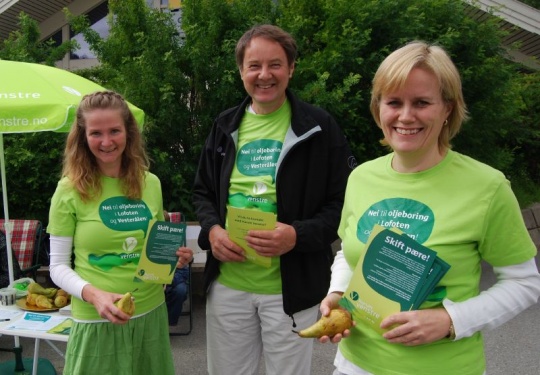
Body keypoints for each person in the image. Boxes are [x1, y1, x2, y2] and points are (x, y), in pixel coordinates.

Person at [318, 41, 540, 375]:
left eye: (421, 102)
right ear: (378, 107)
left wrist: (451, 320)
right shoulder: (362, 177)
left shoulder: (487, 187)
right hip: (355, 364)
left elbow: (524, 282)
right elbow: (349, 252)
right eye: (394, 102)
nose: (405, 116)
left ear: (447, 108)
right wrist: (337, 292)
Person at [192, 24, 356, 375]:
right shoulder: (224, 126)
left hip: (292, 288)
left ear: (291, 68)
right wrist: (213, 232)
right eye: (254, 66)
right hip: (229, 286)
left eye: (275, 65)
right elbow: (202, 192)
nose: (264, 75)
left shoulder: (319, 128)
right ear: (241, 72)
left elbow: (342, 206)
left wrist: (296, 235)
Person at [47, 91, 193, 375]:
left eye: (114, 130)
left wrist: (174, 257)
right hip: (97, 319)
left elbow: (153, 248)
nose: (106, 141)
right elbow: (57, 267)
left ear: (129, 132)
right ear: (82, 137)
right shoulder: (68, 190)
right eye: (96, 133)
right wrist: (94, 295)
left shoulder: (150, 183)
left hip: (150, 314)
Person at [163, 210, 190, 326]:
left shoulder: (175, 242)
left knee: (181, 290)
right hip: (151, 280)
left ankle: (168, 322)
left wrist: (169, 280)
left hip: (173, 279)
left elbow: (184, 271)